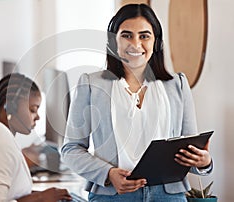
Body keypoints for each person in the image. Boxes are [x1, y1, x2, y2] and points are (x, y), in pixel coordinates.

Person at [61, 4, 213, 201]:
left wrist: (203, 162)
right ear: (113, 41)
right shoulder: (91, 84)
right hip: (113, 195)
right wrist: (108, 174)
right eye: (126, 35)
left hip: (167, 196)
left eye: (144, 36)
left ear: (156, 42)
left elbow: (190, 147)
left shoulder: (178, 85)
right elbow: (71, 149)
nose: (135, 44)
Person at [0, 73, 72, 202]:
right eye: (33, 110)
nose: (37, 117)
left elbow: (10, 193)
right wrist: (40, 197)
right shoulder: (0, 146)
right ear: (10, 107)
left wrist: (44, 195)